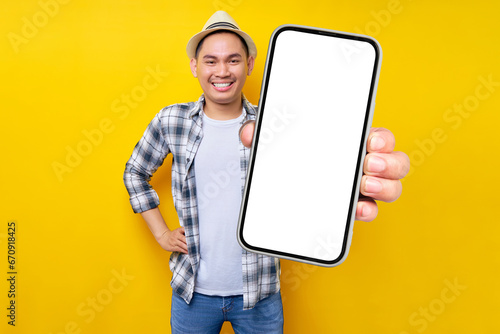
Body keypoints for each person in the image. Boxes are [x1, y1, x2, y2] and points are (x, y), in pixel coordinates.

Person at [123, 10, 410, 334]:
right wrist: (162, 234)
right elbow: (135, 171)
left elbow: (304, 182)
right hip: (192, 292)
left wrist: (343, 177)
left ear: (249, 64)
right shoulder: (171, 121)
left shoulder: (275, 125)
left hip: (259, 292)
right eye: (211, 60)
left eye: (233, 60)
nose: (222, 70)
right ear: (195, 66)